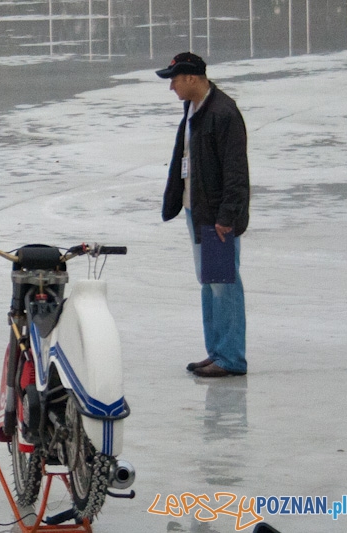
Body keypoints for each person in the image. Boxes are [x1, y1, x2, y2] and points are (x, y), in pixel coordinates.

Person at [156, 52, 250, 378]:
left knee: (224, 284)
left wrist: (226, 217)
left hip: (216, 218)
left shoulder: (224, 113)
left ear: (192, 78)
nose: (172, 88)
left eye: (175, 80)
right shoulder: (194, 109)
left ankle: (231, 358)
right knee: (209, 283)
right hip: (197, 212)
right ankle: (217, 352)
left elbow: (236, 173)